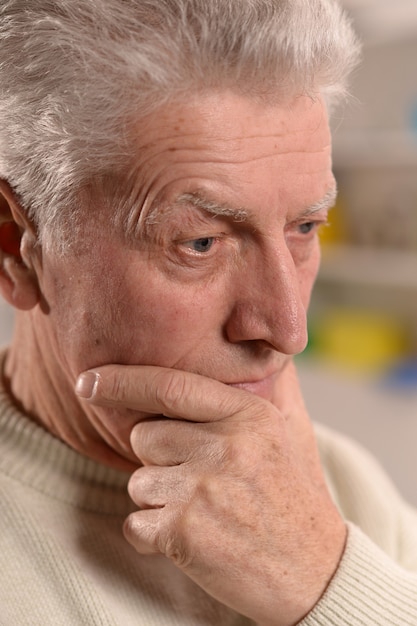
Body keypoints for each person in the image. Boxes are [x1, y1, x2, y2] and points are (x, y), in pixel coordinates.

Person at [0, 0, 416, 624]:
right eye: (200, 243)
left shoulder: (335, 481)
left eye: (305, 227)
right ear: (18, 246)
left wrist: (326, 579)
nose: (288, 330)